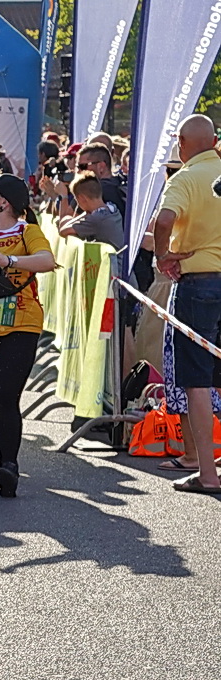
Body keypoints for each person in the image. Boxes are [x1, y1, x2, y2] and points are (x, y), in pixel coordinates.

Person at [0, 173, 55, 497]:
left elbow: (47, 261)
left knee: (5, 397)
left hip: (21, 324)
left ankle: (9, 465)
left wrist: (9, 259)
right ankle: (6, 457)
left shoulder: (27, 230)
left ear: (3, 202)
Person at [152, 115, 221, 495]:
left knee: (197, 380)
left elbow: (164, 219)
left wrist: (163, 254)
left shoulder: (185, 178)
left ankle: (206, 471)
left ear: (182, 143)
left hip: (200, 283)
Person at [57, 172, 127, 249]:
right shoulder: (112, 208)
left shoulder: (96, 219)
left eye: (76, 200)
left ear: (82, 198)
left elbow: (63, 230)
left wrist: (84, 214)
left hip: (113, 261)